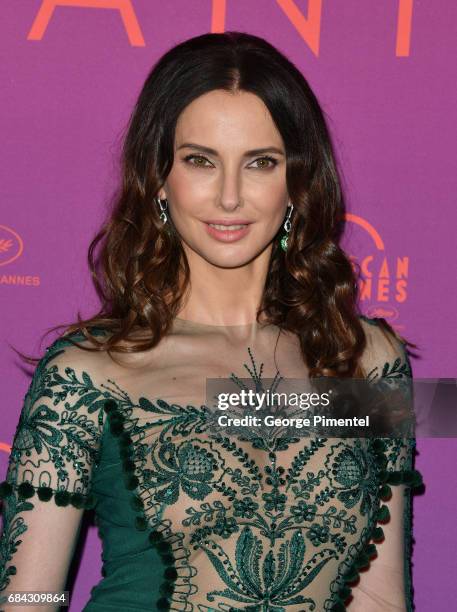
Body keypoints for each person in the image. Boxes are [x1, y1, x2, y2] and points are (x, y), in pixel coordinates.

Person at [0, 31, 423, 612]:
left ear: (296, 182)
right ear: (159, 179)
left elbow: (379, 596)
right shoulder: (90, 372)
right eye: (201, 161)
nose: (229, 197)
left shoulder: (364, 361)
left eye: (260, 163)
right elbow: (29, 596)